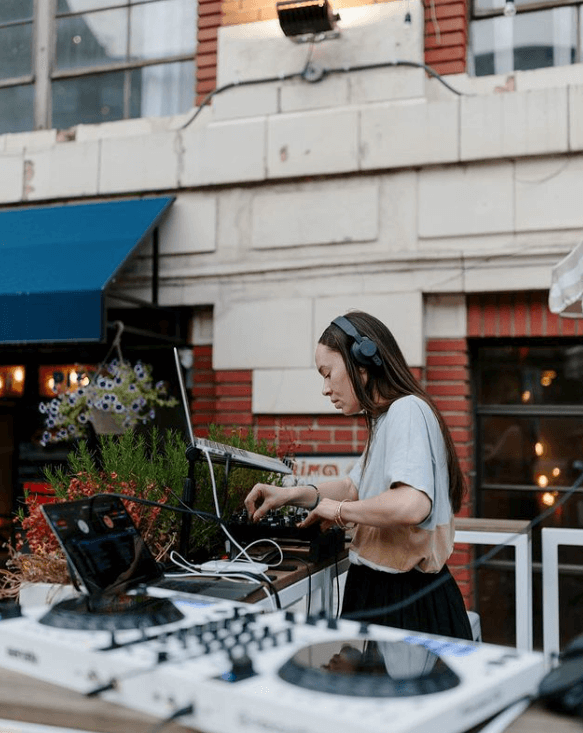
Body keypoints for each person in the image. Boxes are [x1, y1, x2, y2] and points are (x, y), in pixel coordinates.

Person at [245, 310, 473, 641]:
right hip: (379, 590)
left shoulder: (407, 410)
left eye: (327, 373)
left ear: (362, 364)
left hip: (405, 600)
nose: (325, 389)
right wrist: (291, 494)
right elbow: (354, 487)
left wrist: (336, 512)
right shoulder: (387, 419)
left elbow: (411, 503)